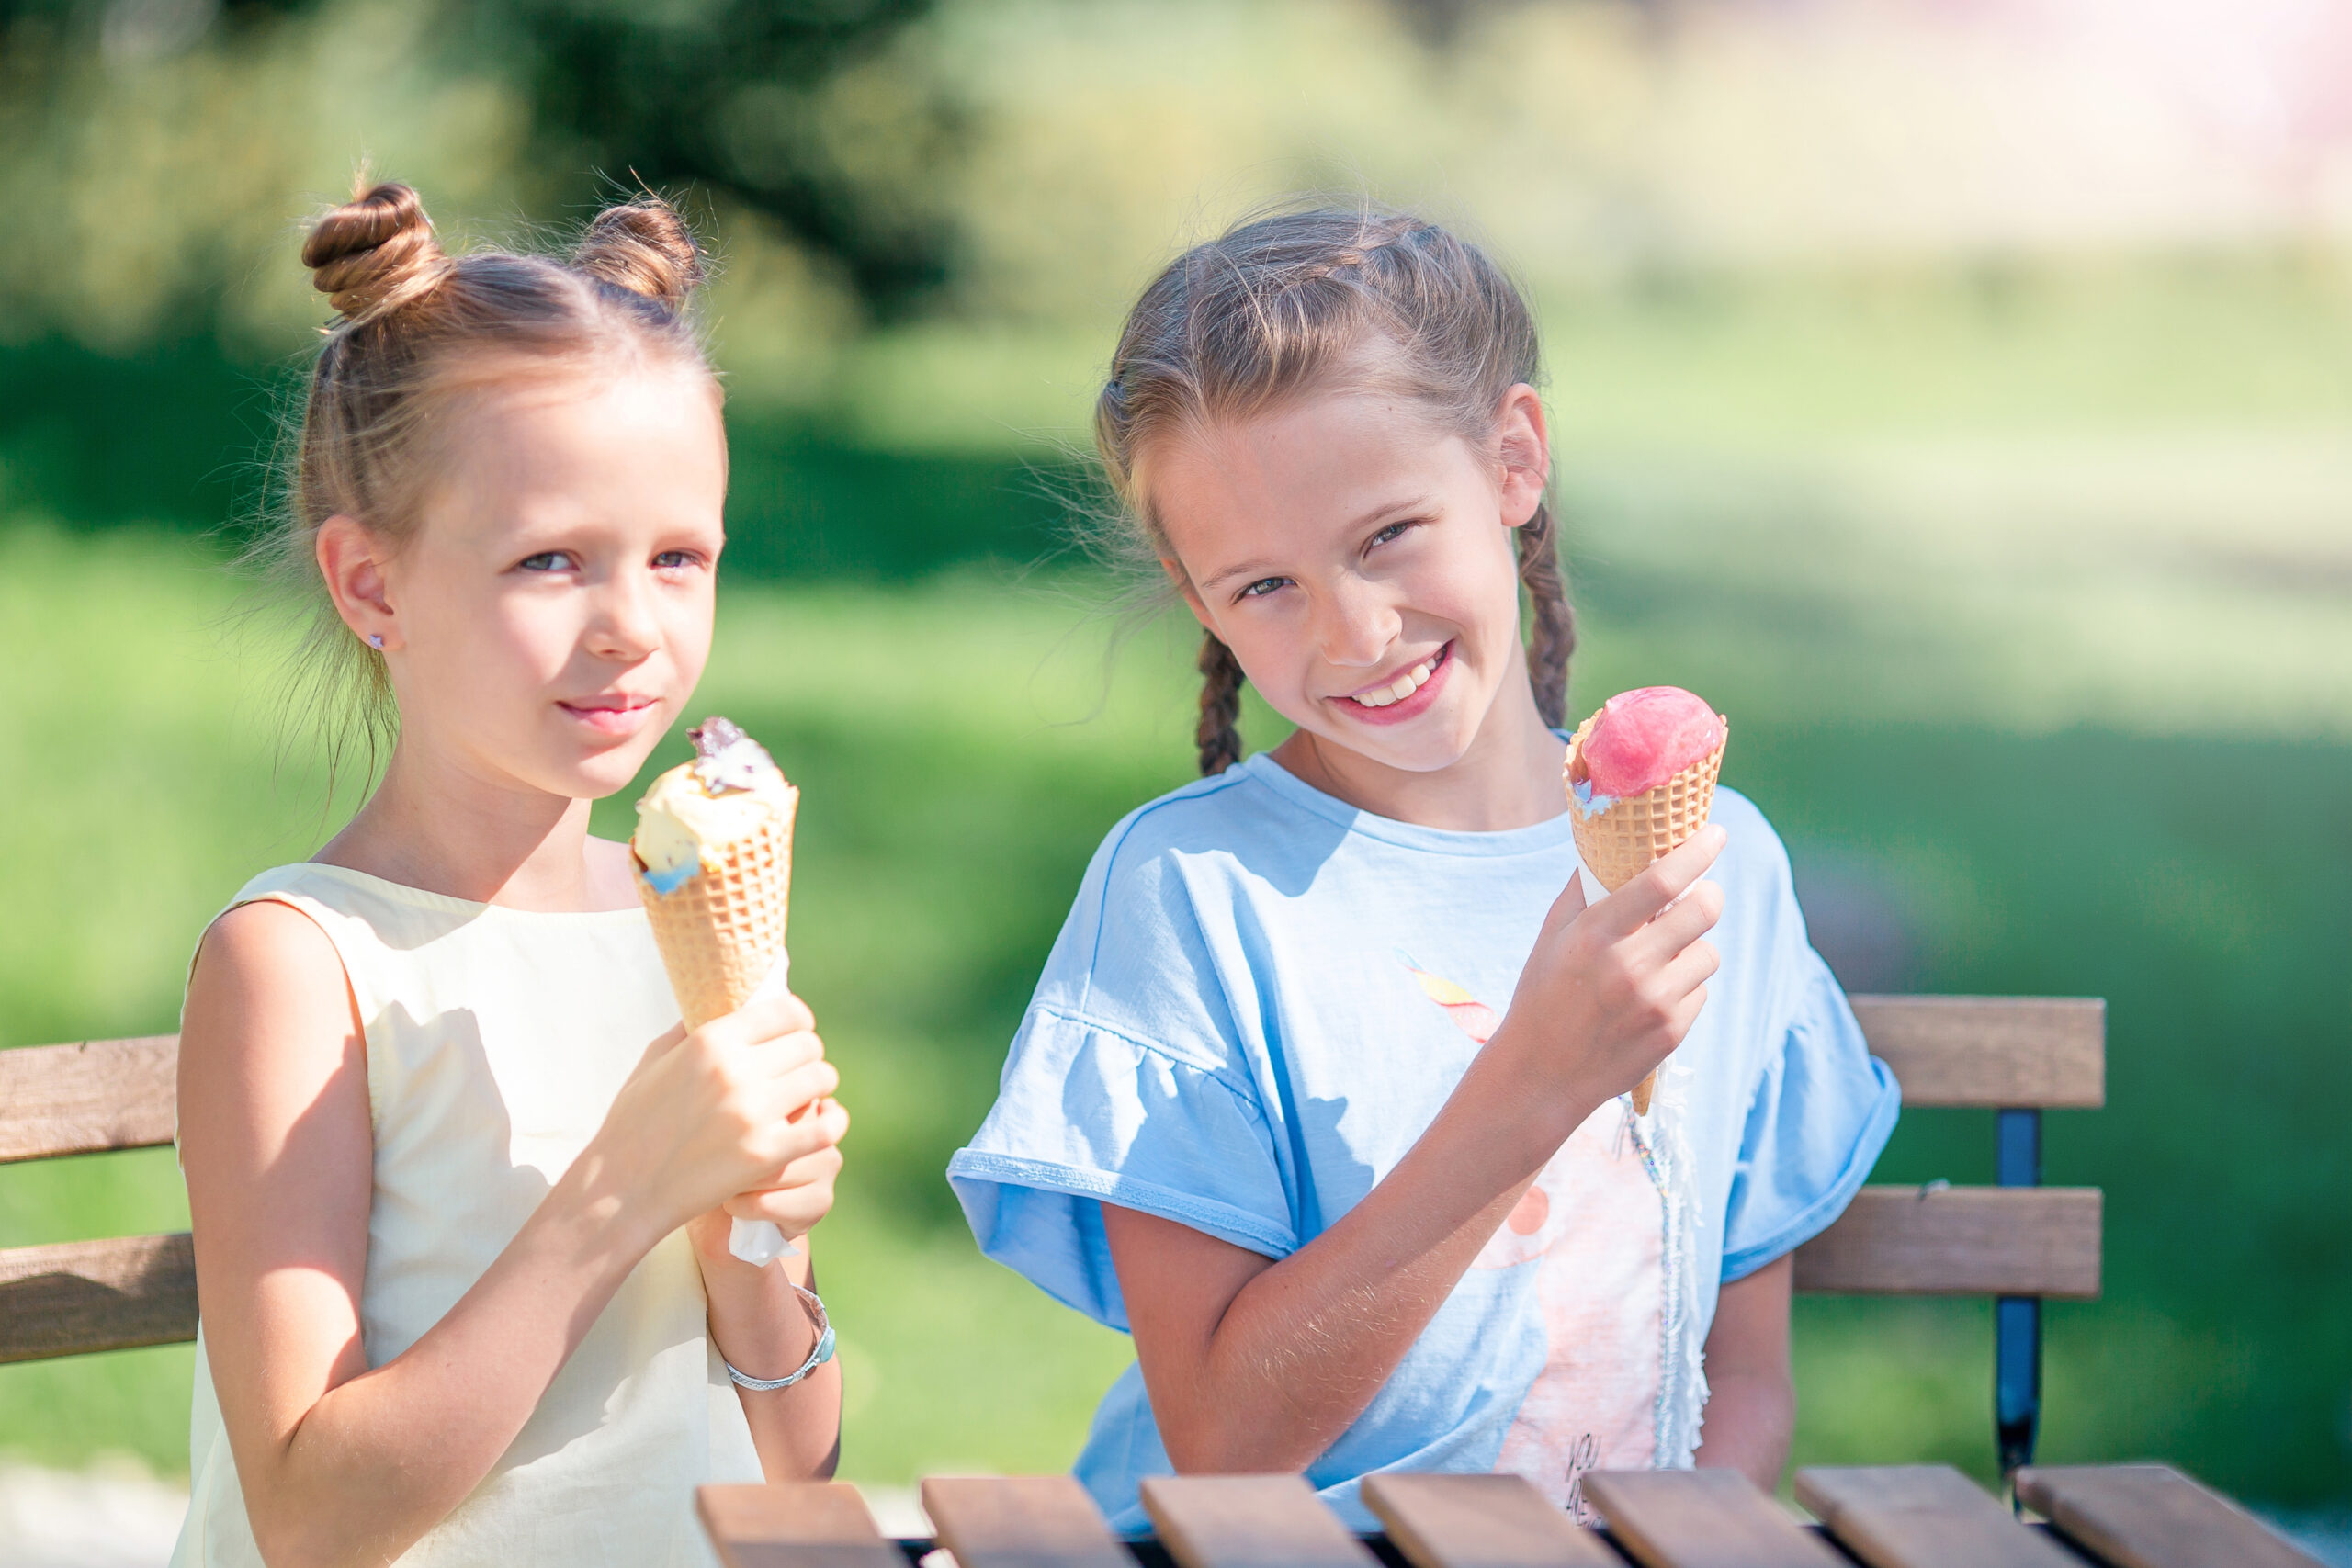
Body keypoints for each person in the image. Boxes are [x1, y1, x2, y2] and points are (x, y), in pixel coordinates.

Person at [949, 207, 1899, 1529]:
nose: (1356, 632)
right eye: (1265, 587)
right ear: (1193, 590)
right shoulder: (1192, 897)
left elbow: (1742, 1386)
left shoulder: (1715, 869)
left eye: (1388, 534)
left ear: (1513, 462)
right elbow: (1225, 1448)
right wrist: (1535, 1081)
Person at [173, 181, 849, 1568]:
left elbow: (798, 1463)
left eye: (679, 559)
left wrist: (746, 1250)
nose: (631, 629)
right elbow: (309, 1515)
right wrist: (625, 1191)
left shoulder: (681, 906)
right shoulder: (301, 961)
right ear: (374, 588)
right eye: (552, 561)